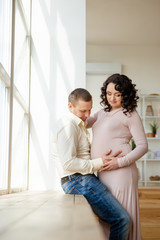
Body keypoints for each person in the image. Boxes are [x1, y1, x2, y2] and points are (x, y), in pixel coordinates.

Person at [53, 88, 131, 240]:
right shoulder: (69, 126)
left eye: (90, 110)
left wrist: (98, 160)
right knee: (122, 220)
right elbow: (68, 163)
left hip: (80, 179)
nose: (88, 116)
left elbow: (79, 156)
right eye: (83, 111)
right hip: (77, 180)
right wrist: (100, 162)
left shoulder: (77, 124)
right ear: (70, 106)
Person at [87, 74, 148, 240]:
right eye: (108, 93)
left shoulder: (130, 114)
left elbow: (143, 146)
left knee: (121, 217)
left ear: (125, 94)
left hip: (121, 173)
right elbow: (82, 122)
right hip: (103, 172)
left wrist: (119, 162)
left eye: (117, 94)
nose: (112, 98)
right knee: (108, 217)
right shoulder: (101, 113)